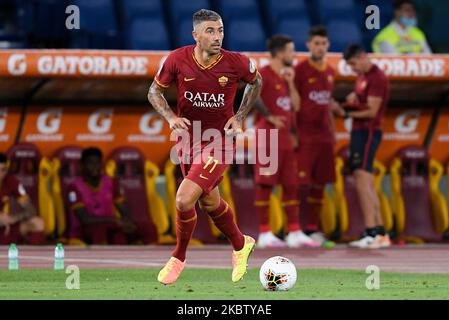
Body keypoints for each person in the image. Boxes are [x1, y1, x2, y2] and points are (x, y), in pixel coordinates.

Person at [148, 9, 262, 285]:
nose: (217, 36)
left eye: (220, 30)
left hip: (220, 140)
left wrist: (239, 116)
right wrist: (171, 118)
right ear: (195, 35)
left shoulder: (236, 63)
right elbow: (154, 91)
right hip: (189, 141)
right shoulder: (177, 59)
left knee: (183, 198)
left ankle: (178, 257)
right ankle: (240, 243)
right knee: (209, 202)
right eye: (210, 31)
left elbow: (256, 81)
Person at [253, 34, 320, 249]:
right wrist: (268, 116)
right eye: (291, 50)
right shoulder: (262, 74)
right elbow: (250, 94)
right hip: (267, 136)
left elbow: (297, 106)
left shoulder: (286, 76)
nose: (294, 54)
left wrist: (291, 83)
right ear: (281, 52)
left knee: (291, 184)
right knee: (265, 184)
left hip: (285, 139)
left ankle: (294, 231)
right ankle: (264, 232)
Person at [293, 26, 344, 246]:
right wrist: (292, 133)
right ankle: (295, 229)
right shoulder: (300, 70)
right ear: (308, 45)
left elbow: (327, 103)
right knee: (300, 183)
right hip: (304, 135)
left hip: (324, 137)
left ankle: (312, 228)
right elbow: (293, 105)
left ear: (328, 46)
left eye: (323, 44)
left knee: (320, 183)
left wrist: (333, 132)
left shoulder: (331, 72)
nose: (320, 47)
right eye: (316, 44)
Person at [342, 44, 392, 249]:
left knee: (362, 179)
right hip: (360, 131)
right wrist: (353, 100)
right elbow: (362, 101)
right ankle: (379, 231)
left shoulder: (376, 77)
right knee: (367, 181)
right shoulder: (362, 77)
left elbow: (372, 111)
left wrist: (345, 112)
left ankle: (371, 231)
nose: (353, 69)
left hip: (368, 132)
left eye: (354, 63)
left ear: (362, 56)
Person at [67, 147, 138, 245]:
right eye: (90, 163)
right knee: (100, 231)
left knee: (146, 229)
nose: (95, 167)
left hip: (111, 226)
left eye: (98, 163)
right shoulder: (73, 187)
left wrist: (128, 222)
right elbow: (84, 219)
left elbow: (124, 210)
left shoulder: (112, 182)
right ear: (81, 166)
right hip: (84, 230)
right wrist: (114, 221)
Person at [0, 152, 45, 245]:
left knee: (37, 223)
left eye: (3, 170)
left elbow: (31, 209)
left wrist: (13, 218)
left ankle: (31, 257)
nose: (0, 174)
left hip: (5, 228)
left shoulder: (11, 181)